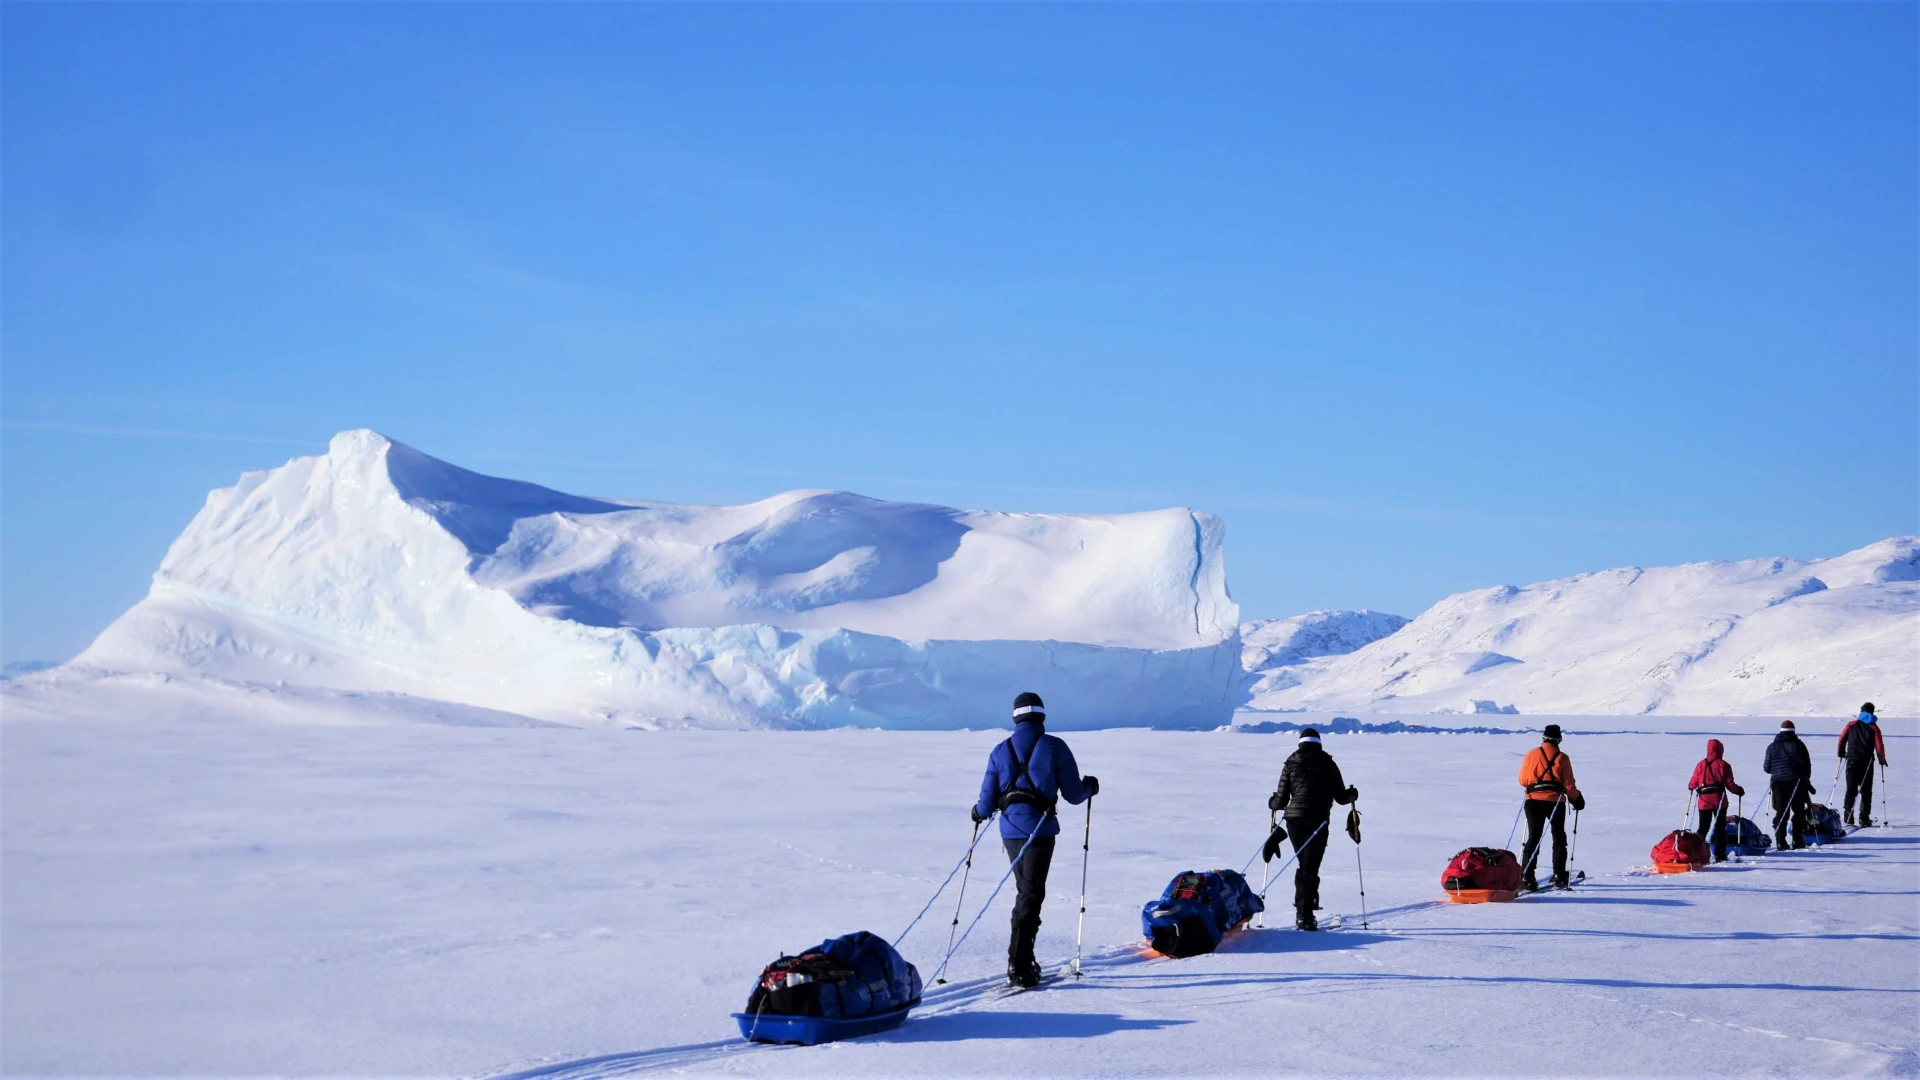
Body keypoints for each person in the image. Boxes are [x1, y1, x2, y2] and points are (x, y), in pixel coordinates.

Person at [972, 692, 1096, 988]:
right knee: (1030, 894)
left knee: (1025, 892)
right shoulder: (1054, 746)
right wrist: (1091, 787)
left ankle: (1021, 960)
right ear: (1041, 716)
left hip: (1011, 831)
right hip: (1040, 831)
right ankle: (1020, 965)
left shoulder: (1000, 750)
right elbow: (1075, 795)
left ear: (1016, 717)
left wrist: (976, 813)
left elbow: (986, 804)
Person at [1264, 728, 1357, 931]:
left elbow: (1280, 801)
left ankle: (1305, 908)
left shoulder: (1290, 764)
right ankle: (1305, 915)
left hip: (1294, 822)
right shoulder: (1329, 764)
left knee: (1304, 865)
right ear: (1319, 743)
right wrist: (1352, 795)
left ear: (1300, 744)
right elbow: (1341, 798)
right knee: (1310, 868)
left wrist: (1272, 802)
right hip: (1318, 821)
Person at [1517, 724, 1584, 891]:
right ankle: (1559, 875)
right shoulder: (1562, 757)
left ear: (1544, 738)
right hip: (1555, 802)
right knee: (1559, 837)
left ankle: (1527, 876)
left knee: (1533, 838)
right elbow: (1569, 785)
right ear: (1559, 739)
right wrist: (1577, 799)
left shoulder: (1531, 754)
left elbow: (1523, 781)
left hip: (1532, 800)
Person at [1687, 739, 1746, 862]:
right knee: (1720, 828)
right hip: (1719, 801)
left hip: (1703, 801)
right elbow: (1730, 785)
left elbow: (1692, 783)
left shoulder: (1700, 764)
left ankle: (1697, 852)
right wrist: (1738, 790)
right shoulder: (1724, 765)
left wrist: (1691, 786)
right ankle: (1719, 855)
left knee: (1703, 827)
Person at [1762, 719, 1813, 849]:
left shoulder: (1772, 747)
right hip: (1797, 783)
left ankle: (1780, 841)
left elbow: (1767, 768)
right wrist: (1806, 779)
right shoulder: (1799, 745)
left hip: (1778, 784)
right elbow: (1807, 765)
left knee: (1781, 812)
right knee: (1799, 812)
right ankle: (1797, 839)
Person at [1837, 703, 1889, 828]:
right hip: (1867, 763)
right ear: (1872, 712)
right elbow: (1879, 746)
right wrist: (1882, 760)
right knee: (1866, 791)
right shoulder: (1874, 727)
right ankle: (1863, 819)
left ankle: (1848, 817)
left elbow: (1841, 739)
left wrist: (1841, 753)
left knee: (1851, 789)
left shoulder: (1851, 725)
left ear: (1861, 712)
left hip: (1852, 761)